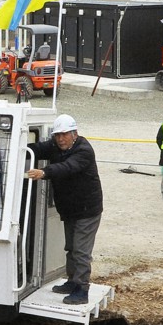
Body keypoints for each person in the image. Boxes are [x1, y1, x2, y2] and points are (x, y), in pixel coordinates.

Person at [25, 114, 103, 306]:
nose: (60, 139)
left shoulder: (84, 151)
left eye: (64, 134)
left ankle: (82, 290)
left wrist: (44, 172)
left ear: (74, 133)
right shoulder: (54, 146)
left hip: (87, 210)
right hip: (70, 209)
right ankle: (72, 281)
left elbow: (67, 167)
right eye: (57, 135)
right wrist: (19, 149)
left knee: (81, 251)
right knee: (71, 247)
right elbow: (36, 148)